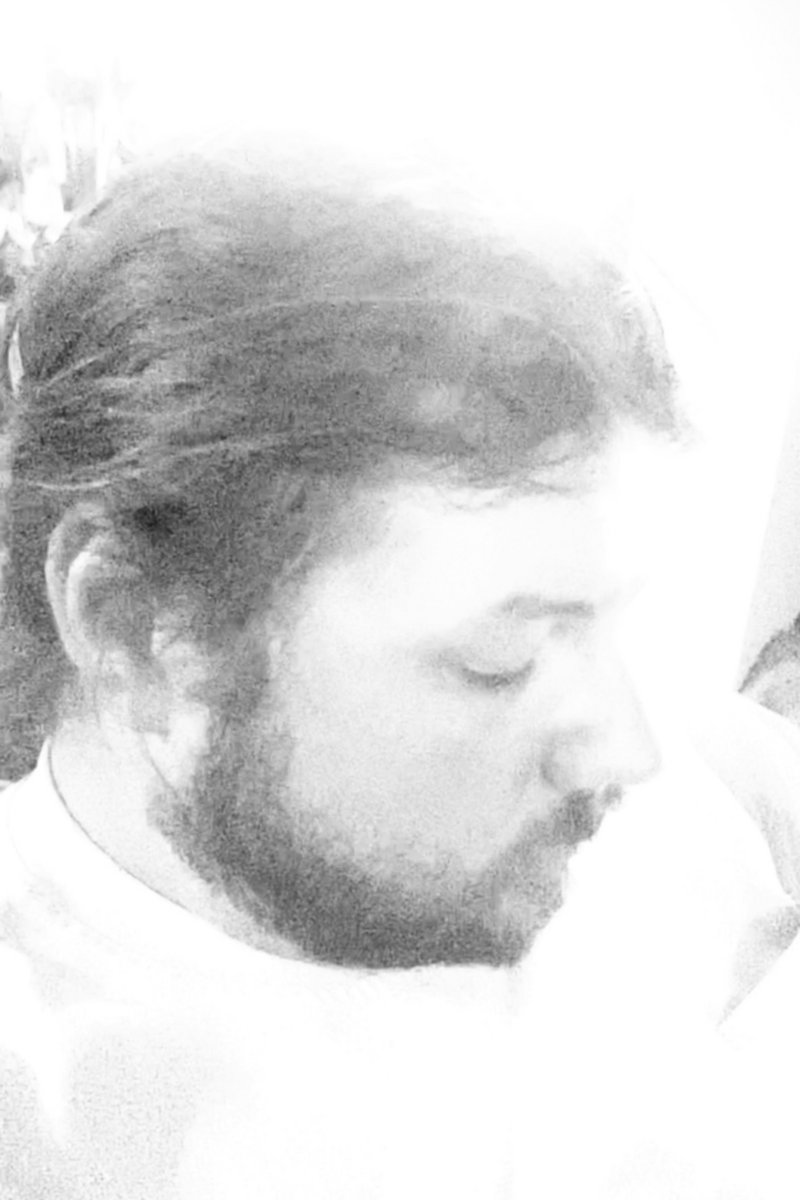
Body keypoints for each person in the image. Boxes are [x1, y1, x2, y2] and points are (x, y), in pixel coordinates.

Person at [0, 147, 798, 1198]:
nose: (630, 750)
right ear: (140, 628)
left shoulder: (701, 799)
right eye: (498, 663)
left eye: (618, 620)